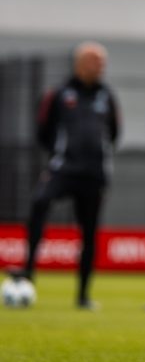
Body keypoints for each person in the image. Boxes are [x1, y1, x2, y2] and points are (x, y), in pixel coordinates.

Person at [11, 41, 120, 309]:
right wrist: (61, 154)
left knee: (90, 232)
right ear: (81, 63)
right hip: (64, 168)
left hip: (93, 174)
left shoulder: (107, 95)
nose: (100, 67)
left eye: (102, 63)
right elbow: (43, 131)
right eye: (96, 61)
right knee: (39, 202)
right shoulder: (59, 93)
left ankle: (83, 294)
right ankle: (28, 271)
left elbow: (115, 132)